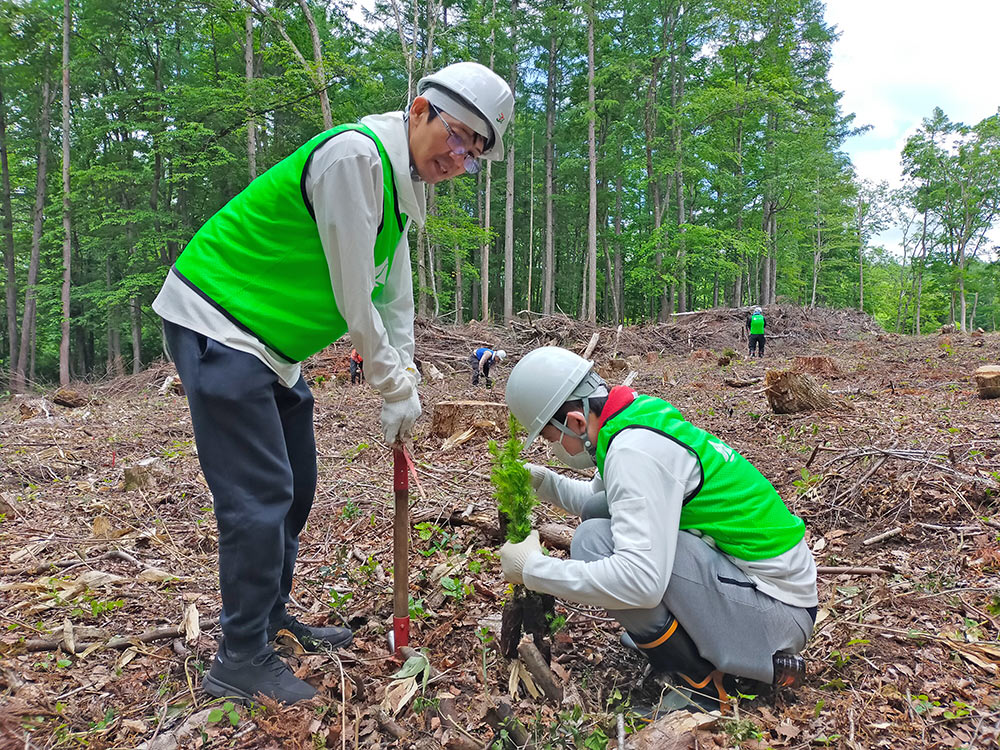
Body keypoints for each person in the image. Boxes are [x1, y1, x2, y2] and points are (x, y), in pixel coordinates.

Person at [152, 62, 514, 704]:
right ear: (420, 108)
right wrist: (386, 383)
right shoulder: (357, 159)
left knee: (298, 483)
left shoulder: (403, 193)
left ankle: (268, 618)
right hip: (221, 321)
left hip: (272, 346)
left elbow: (395, 297)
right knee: (259, 496)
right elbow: (355, 297)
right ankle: (239, 657)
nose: (458, 159)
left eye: (473, 152)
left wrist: (407, 376)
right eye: (455, 137)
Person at [501, 347, 817, 713]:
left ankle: (700, 685)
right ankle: (695, 642)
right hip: (769, 593)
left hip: (778, 616)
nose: (556, 449)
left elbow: (640, 582)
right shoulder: (633, 419)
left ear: (574, 422)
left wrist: (532, 570)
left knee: (594, 542)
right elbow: (601, 498)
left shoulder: (634, 452)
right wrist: (545, 483)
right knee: (598, 514)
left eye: (552, 440)